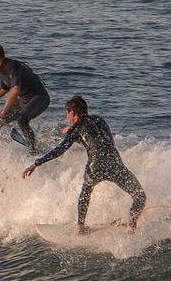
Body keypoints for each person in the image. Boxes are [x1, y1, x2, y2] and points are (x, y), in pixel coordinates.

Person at [23, 95, 146, 234]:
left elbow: (59, 150)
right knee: (140, 196)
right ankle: (132, 225)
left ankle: (80, 228)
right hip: (115, 164)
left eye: (67, 113)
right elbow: (97, 139)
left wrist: (36, 163)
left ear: (73, 112)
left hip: (96, 167)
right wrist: (72, 131)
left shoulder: (75, 129)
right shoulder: (100, 120)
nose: (67, 116)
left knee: (86, 192)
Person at [0, 43, 50, 154]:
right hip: (23, 101)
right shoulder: (1, 70)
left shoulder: (12, 67)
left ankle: (33, 153)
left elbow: (15, 89)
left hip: (39, 98)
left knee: (22, 119)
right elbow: (2, 90)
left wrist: (3, 112)